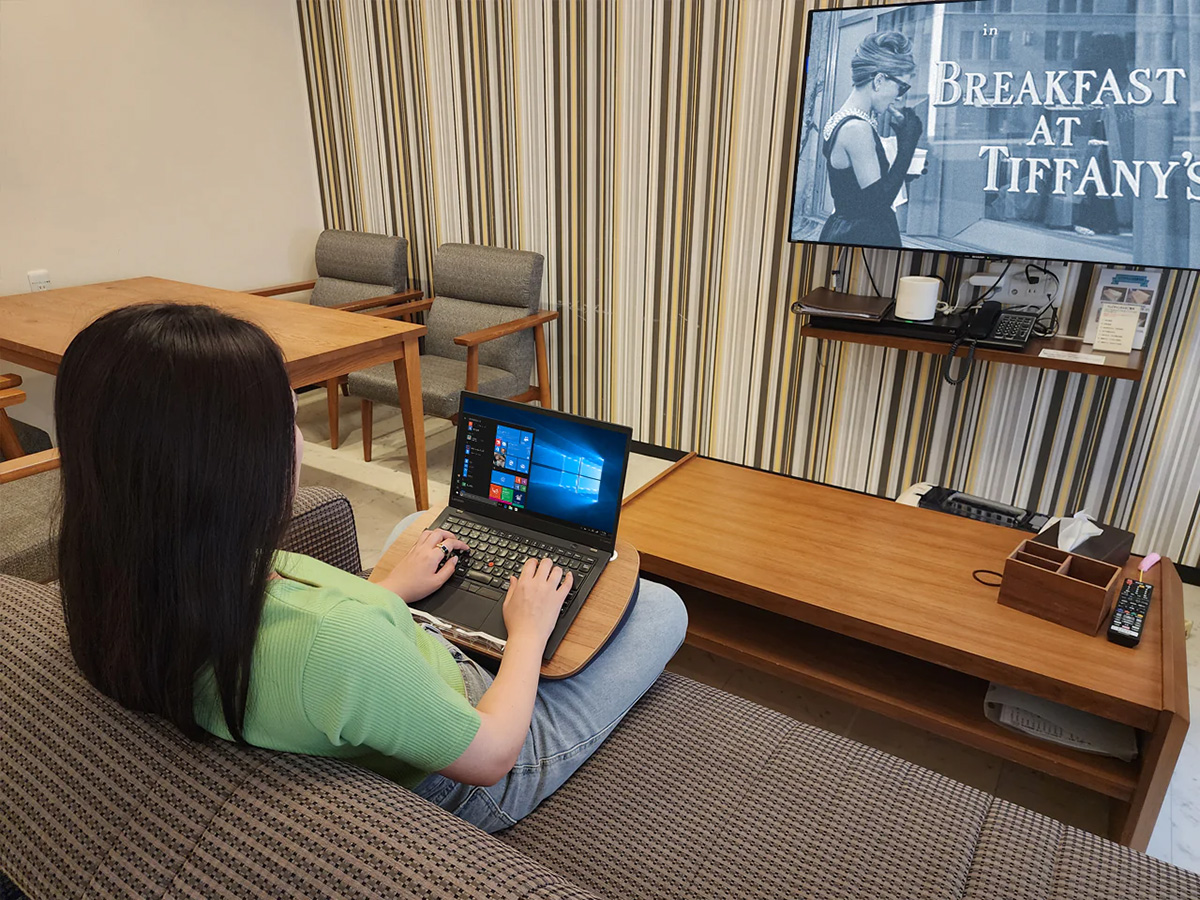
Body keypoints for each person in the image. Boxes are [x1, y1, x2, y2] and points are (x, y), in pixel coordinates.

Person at [55, 303, 687, 833]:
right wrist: (527, 633)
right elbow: (492, 755)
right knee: (663, 607)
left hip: (392, 685)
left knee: (418, 524)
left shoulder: (132, 575)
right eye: (287, 418)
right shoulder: (338, 641)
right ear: (234, 467)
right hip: (476, 763)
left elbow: (317, 638)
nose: (299, 438)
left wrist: (389, 590)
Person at [818, 30, 923, 248]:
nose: (900, 97)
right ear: (879, 80)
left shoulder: (845, 117)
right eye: (901, 87)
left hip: (851, 232)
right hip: (860, 237)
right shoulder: (857, 128)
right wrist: (908, 142)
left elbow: (855, 190)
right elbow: (878, 204)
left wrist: (903, 171)